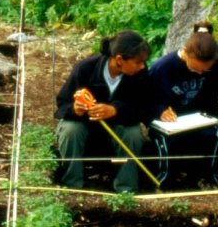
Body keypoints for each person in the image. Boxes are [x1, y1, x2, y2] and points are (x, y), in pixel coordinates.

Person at [148, 20, 218, 186]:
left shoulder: (215, 63)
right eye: (194, 69)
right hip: (171, 121)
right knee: (169, 143)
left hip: (202, 118)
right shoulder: (163, 67)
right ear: (186, 54)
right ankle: (164, 183)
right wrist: (159, 110)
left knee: (214, 138)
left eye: (205, 70)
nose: (200, 73)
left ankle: (209, 179)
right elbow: (145, 96)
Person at [55, 30, 153, 193]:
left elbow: (144, 107)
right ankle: (72, 185)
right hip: (86, 125)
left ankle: (126, 188)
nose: (142, 66)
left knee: (133, 134)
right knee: (70, 130)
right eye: (138, 62)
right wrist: (75, 109)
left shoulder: (139, 75)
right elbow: (62, 104)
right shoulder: (86, 68)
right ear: (119, 59)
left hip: (119, 125)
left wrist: (116, 110)